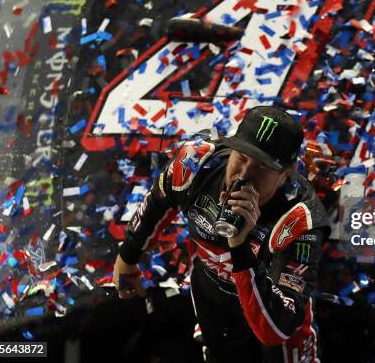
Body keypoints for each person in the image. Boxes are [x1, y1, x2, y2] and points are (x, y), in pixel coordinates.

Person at [113, 106, 331, 363]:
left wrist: (239, 246)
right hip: (210, 292)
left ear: (285, 174)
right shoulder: (196, 162)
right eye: (241, 157)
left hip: (274, 311)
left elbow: (275, 329)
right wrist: (128, 255)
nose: (243, 175)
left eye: (261, 167)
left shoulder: (302, 220)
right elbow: (158, 199)